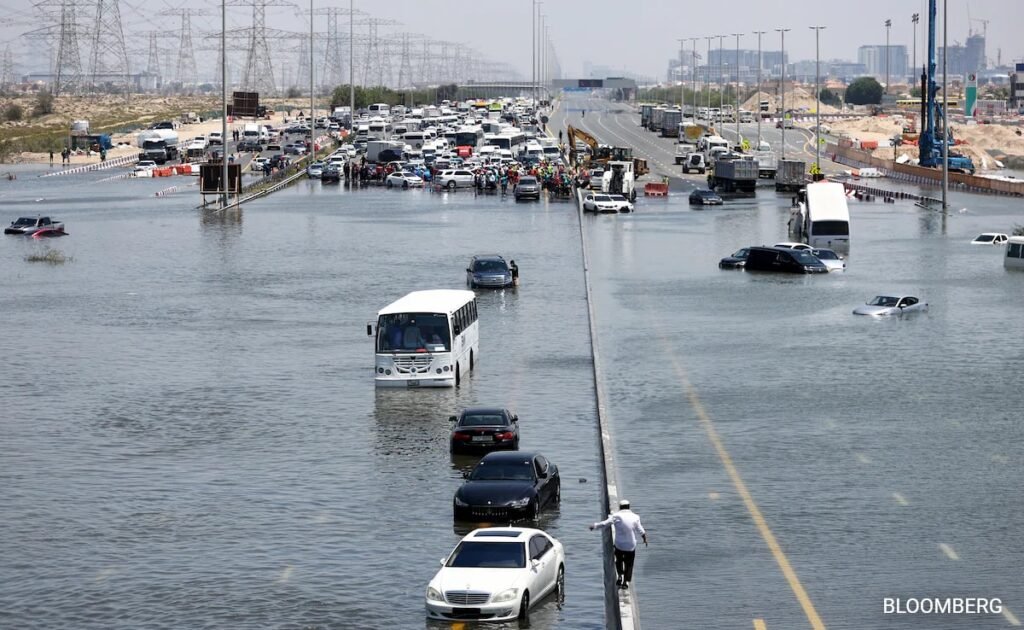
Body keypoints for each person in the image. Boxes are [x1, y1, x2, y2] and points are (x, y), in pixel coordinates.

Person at [590, 499, 647, 590]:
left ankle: (620, 576)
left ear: (620, 507)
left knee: (619, 561)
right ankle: (625, 582)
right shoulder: (635, 517)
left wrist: (594, 526)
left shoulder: (616, 516)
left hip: (619, 545)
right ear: (629, 507)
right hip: (630, 545)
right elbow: (641, 530)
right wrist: (645, 539)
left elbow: (605, 524)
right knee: (629, 564)